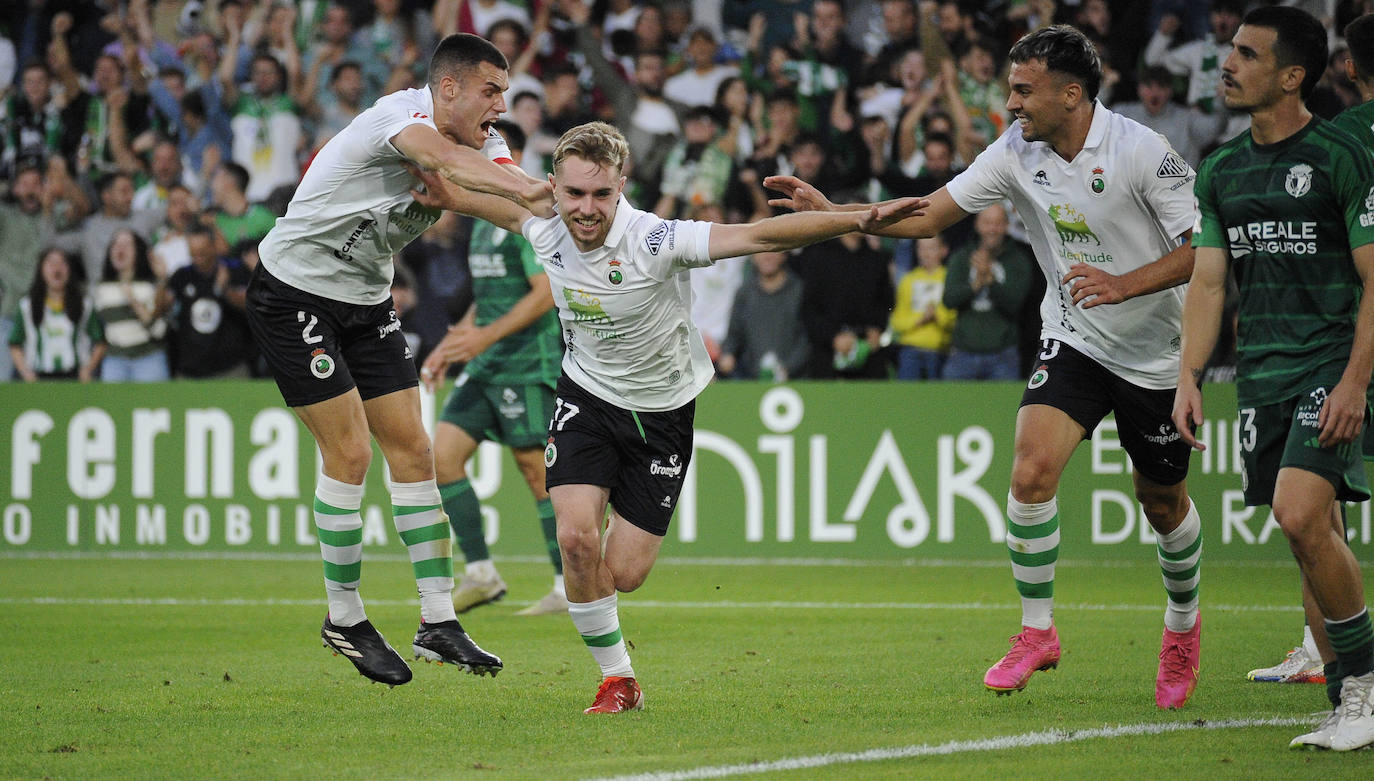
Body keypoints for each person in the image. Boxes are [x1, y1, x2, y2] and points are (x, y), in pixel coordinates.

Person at [408, 121, 924, 713]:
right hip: (585, 398)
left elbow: (759, 237)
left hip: (662, 415)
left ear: (621, 188)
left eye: (601, 195)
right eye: (573, 194)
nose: (585, 209)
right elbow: (495, 207)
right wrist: (448, 195)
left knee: (623, 574)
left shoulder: (656, 240)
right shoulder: (546, 223)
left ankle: (610, 640)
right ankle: (618, 679)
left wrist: (854, 217)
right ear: (554, 187)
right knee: (576, 538)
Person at [767, 24, 1205, 709]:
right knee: (1030, 471)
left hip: (1156, 351)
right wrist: (839, 214)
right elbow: (927, 216)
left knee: (1162, 502)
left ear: (1072, 92)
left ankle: (1182, 623)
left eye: (1023, 90)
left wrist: (1124, 283)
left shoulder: (1140, 151)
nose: (1010, 103)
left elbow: (1202, 252)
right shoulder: (1014, 151)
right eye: (1010, 88)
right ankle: (1037, 631)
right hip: (1076, 336)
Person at [244, 33, 555, 687]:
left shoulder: (482, 143)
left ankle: (438, 621)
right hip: (294, 292)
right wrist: (527, 196)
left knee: (414, 451)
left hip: (363, 299)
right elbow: (444, 162)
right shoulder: (401, 120)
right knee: (351, 453)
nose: (501, 105)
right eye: (491, 91)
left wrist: (567, 219)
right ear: (449, 90)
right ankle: (346, 617)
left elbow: (486, 194)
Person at [1173, 6, 1374, 751]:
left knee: (1298, 511)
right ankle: (1348, 688)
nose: (1228, 63)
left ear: (1292, 76)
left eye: (1247, 54)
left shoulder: (1338, 156)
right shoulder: (1222, 170)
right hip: (1263, 373)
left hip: (1330, 362)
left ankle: (1363, 686)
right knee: (1309, 532)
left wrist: (1356, 381)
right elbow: (1209, 286)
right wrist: (1188, 375)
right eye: (1230, 49)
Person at [1247, 10, 1374, 690]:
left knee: (1314, 511)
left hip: (1344, 336)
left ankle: (1334, 657)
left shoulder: (1335, 141)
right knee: (1316, 508)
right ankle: (1323, 652)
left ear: (1350, 68)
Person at [418, 120, 569, 618]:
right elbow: (489, 298)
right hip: (487, 365)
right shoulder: (482, 218)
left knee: (536, 474)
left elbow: (546, 292)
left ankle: (568, 586)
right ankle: (482, 573)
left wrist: (481, 338)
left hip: (527, 364)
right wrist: (452, 344)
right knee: (443, 458)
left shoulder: (525, 212)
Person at [941, 203, 1033, 381]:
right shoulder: (961, 257)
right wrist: (975, 285)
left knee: (1004, 409)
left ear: (1007, 226)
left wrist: (990, 280)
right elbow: (948, 300)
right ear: (977, 224)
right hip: (962, 353)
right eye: (987, 222)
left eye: (998, 223)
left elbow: (1015, 305)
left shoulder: (1018, 260)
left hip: (1004, 355)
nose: (992, 229)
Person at [8, 248, 105, 382]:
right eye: (51, 264)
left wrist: (88, 369)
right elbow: (15, 343)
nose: (57, 269)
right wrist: (26, 373)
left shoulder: (85, 304)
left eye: (62, 264)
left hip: (75, 377)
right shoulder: (27, 306)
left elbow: (100, 341)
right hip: (39, 378)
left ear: (70, 270)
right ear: (41, 270)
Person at [92, 228, 170, 382]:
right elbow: (98, 332)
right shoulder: (101, 289)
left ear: (138, 252)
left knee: (152, 405)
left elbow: (158, 330)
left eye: (127, 244)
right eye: (115, 244)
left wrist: (133, 301)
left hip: (148, 358)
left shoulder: (150, 286)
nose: (120, 248)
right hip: (115, 360)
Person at [891, 233, 956, 380]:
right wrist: (920, 319)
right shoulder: (908, 280)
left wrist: (936, 315)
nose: (926, 253)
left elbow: (952, 318)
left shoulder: (950, 278)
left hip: (939, 350)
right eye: (922, 248)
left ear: (943, 250)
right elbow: (897, 321)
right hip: (910, 350)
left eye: (931, 248)